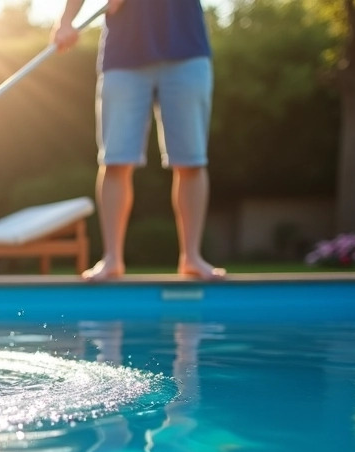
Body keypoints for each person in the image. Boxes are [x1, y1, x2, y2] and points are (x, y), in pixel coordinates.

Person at [51, 0, 226, 281]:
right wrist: (66, 22)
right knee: (115, 160)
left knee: (191, 161)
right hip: (123, 54)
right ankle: (112, 259)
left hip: (187, 50)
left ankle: (191, 257)